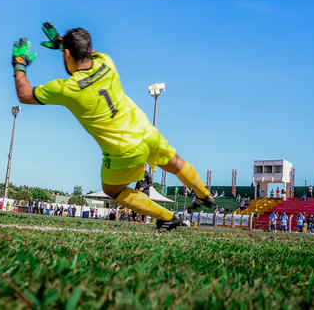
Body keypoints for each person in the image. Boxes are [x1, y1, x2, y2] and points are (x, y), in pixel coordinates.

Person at [11, 24, 214, 232]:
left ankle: (168, 217)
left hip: (123, 150)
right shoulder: (106, 62)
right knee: (175, 163)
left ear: (67, 54)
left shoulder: (67, 89)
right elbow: (91, 53)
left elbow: (25, 95)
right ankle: (203, 193)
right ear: (89, 50)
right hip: (146, 132)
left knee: (113, 190)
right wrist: (62, 42)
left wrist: (19, 63)